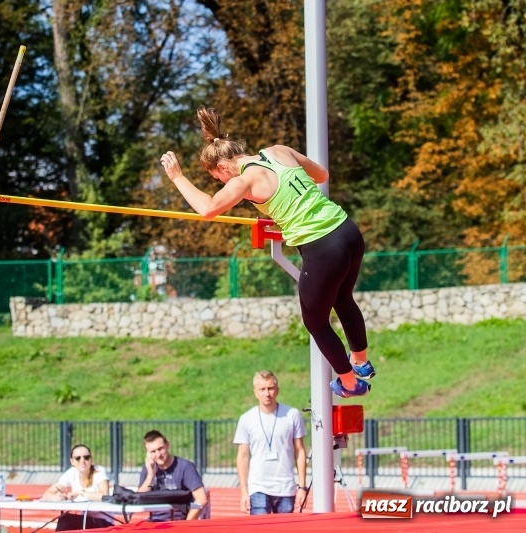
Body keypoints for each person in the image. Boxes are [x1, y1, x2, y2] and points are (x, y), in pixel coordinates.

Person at [159, 106, 376, 397]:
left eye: (218, 179)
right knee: (342, 298)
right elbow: (321, 175)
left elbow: (209, 208)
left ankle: (350, 384)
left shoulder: (242, 180)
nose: (223, 185)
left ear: (222, 168)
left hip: (322, 246)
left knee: (315, 321)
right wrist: (286, 203)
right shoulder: (278, 150)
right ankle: (360, 362)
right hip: (347, 231)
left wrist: (177, 178)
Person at [234, 370, 308, 514]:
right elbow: (242, 456)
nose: (267, 393)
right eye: (262, 389)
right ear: (255, 392)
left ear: (277, 390)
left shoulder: (292, 415)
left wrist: (302, 486)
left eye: (270, 388)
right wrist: (244, 491)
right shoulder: (246, 419)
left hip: (285, 487)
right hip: (258, 487)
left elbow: (300, 450)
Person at [138, 429, 208, 521]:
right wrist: (150, 475)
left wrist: (186, 524)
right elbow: (139, 499)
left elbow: (202, 499)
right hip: (154, 521)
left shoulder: (185, 467)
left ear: (167, 445)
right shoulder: (148, 468)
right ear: (148, 453)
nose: (158, 454)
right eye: (153, 451)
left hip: (179, 520)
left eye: (160, 449)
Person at [42, 444, 114, 530]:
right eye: (78, 458)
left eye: (86, 457)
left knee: (65, 521)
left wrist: (81, 493)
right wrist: (58, 497)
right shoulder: (71, 473)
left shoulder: (99, 472)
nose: (82, 461)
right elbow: (46, 494)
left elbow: (104, 495)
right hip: (85, 520)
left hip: (103, 521)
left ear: (91, 459)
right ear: (72, 461)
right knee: (64, 520)